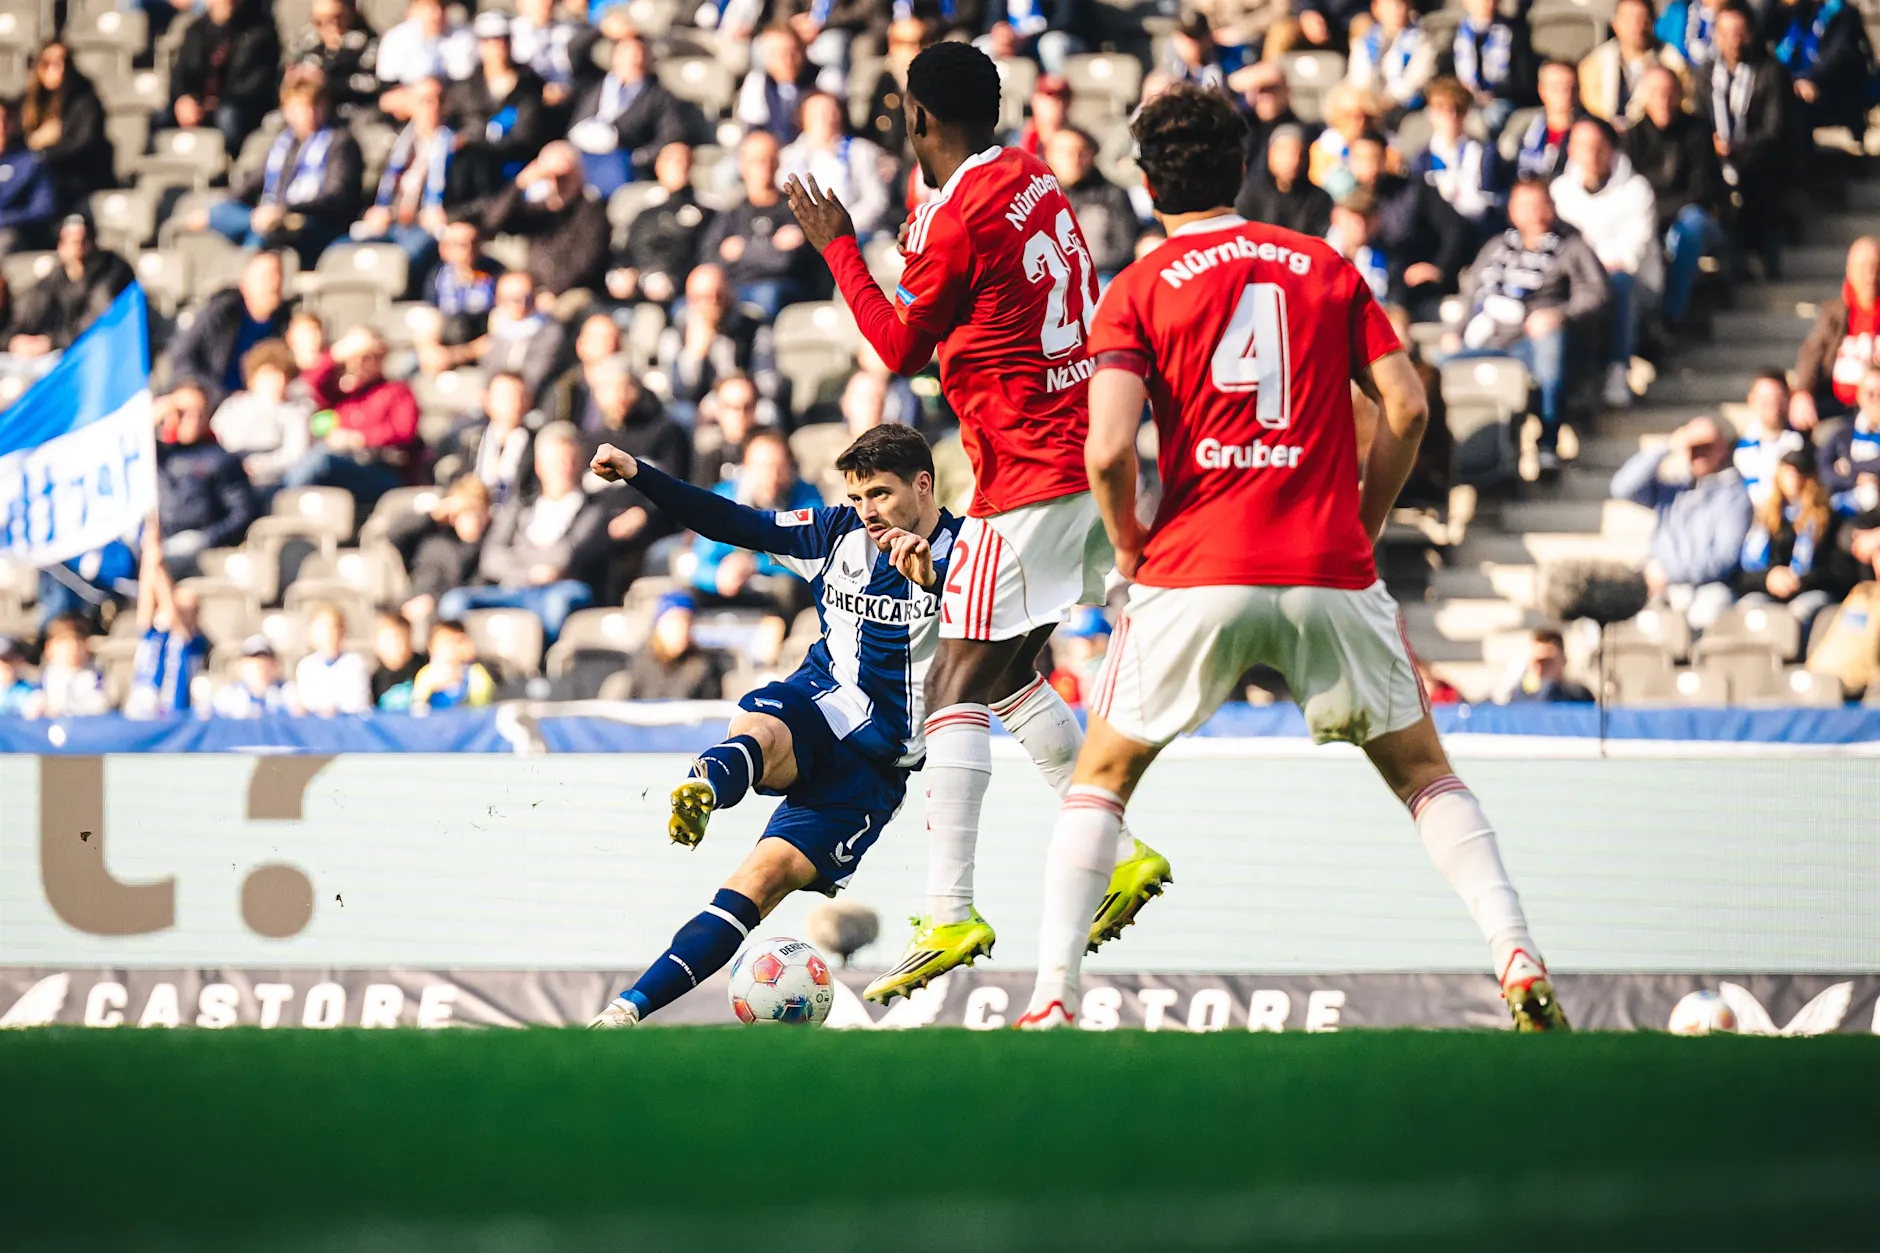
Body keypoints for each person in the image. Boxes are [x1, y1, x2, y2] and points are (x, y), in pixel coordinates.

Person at [1012, 85, 1566, 1034]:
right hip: (1326, 565)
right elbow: (1409, 406)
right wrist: (1360, 518)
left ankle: (1053, 992)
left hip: (1194, 568)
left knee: (1101, 773)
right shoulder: (1323, 264)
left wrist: (1133, 547)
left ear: (1146, 184)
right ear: (1243, 169)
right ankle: (1516, 953)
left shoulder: (1139, 285)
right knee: (1424, 773)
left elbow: (1106, 450)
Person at [784, 40, 1165, 1005]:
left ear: (918, 119)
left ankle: (948, 908)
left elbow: (900, 346)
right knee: (1010, 674)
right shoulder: (1033, 176)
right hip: (1083, 453)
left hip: (1027, 472)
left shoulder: (956, 217)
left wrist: (839, 244)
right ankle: (1119, 855)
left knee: (950, 677)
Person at [586, 424, 965, 1027]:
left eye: (881, 495)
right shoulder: (831, 532)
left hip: (875, 766)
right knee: (762, 732)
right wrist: (639, 473)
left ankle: (628, 1010)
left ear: (924, 486)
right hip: (819, 701)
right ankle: (707, 787)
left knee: (757, 883)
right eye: (857, 496)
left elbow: (1016, 638)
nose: (866, 511)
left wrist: (942, 588)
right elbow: (733, 521)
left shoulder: (970, 557)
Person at [1449, 177, 1610, 471]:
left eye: (1539, 205)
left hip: (1534, 342)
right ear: (1512, 211)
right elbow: (1471, 292)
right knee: (1437, 363)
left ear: (1551, 208)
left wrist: (1559, 314)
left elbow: (1596, 293)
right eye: (1524, 206)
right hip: (1487, 339)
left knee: (1550, 341)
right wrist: (1456, 331)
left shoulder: (1571, 247)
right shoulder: (1497, 246)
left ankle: (1548, 442)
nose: (1533, 214)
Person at [436, 422, 604, 642]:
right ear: (539, 465)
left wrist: (521, 559)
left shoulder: (593, 511)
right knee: (454, 602)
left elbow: (564, 558)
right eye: (556, 462)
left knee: (556, 606)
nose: (563, 468)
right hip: (512, 588)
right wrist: (530, 573)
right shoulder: (520, 506)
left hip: (558, 591)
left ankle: (546, 670)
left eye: (569, 461)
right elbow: (492, 558)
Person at [1549, 118, 1660, 409]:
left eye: (1599, 146)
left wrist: (1595, 270)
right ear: (1571, 151)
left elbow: (1632, 252)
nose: (1592, 154)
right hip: (1579, 284)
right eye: (1584, 147)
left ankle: (1617, 371)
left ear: (1612, 149)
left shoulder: (1637, 189)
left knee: (1617, 284)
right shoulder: (1559, 192)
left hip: (1634, 285)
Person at [1610, 414, 1754, 630]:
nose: (1698, 454)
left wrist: (1669, 573)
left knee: (1705, 615)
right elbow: (1622, 487)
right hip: (1661, 588)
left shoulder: (1734, 495)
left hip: (1707, 588)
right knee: (1628, 618)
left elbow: (1724, 558)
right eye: (1693, 447)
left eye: (1706, 446)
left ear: (1723, 447)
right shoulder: (1674, 490)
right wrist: (1669, 444)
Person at [203, 78, 364, 266]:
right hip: (274, 217)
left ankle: (249, 276)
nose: (309, 114)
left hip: (313, 223)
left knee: (266, 235)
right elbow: (253, 181)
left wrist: (286, 210)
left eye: (314, 106)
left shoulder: (340, 142)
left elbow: (336, 195)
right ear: (287, 110)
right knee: (219, 212)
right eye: (301, 107)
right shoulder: (283, 144)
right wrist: (231, 206)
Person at [683, 430, 822, 630]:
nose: (771, 476)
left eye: (779, 467)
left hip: (777, 588)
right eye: (763, 467)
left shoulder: (807, 499)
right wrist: (718, 577)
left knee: (788, 589)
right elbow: (701, 558)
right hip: (729, 583)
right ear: (747, 467)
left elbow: (810, 557)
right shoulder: (724, 498)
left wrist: (755, 564)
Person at [1624, 67, 1726, 329]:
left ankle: (1670, 316)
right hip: (1649, 218)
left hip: (1691, 216)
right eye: (1657, 93)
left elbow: (1701, 191)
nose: (1663, 101)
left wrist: (1656, 211)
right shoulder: (1632, 138)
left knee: (1688, 229)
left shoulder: (1697, 131)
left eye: (1669, 93)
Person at [282, 327, 420, 509]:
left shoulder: (396, 391)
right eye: (354, 358)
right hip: (343, 467)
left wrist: (357, 438)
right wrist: (338, 352)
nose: (359, 364)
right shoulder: (342, 393)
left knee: (321, 459)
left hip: (381, 469)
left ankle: (277, 498)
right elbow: (308, 382)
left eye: (367, 358)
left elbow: (403, 432)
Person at [357, 77, 480, 277]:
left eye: (440, 99)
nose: (434, 107)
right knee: (342, 251)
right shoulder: (396, 146)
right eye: (425, 100)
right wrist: (373, 212)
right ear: (410, 105)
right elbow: (362, 122)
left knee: (399, 263)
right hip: (389, 224)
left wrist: (448, 217)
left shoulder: (460, 151)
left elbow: (480, 202)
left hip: (428, 229)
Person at [1702, 3, 1791, 277]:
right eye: (1725, 33)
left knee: (1758, 188)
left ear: (1751, 35)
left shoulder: (1770, 72)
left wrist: (1735, 149)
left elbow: (1774, 130)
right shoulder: (1705, 75)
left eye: (1739, 33)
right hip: (1714, 162)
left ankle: (1759, 257)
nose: (1732, 41)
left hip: (1759, 162)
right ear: (1715, 36)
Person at [704, 129, 817, 319]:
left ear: (778, 162)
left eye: (769, 158)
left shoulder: (795, 209)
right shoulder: (732, 212)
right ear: (742, 165)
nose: (763, 166)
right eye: (756, 160)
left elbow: (785, 262)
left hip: (780, 291)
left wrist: (741, 250)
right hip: (734, 287)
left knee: (767, 297)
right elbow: (711, 259)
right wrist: (771, 247)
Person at [1738, 449, 1852, 635]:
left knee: (1798, 613)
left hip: (1811, 589)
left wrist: (1799, 580)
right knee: (1750, 609)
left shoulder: (1828, 518)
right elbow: (1744, 574)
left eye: (1798, 473)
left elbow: (1840, 572)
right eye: (1787, 473)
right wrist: (1769, 577)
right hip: (1769, 591)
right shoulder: (1766, 519)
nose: (1793, 479)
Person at [480, 141, 610, 303]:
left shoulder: (591, 210)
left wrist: (550, 292)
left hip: (571, 291)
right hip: (529, 291)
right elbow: (491, 224)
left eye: (563, 177)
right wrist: (521, 182)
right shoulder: (537, 210)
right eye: (551, 176)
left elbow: (584, 262)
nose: (557, 182)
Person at [154, 382, 258, 573]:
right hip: (156, 539)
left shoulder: (221, 458)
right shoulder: (157, 455)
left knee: (166, 556)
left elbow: (241, 514)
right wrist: (155, 415)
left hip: (198, 542)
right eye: (182, 412)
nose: (191, 418)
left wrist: (208, 537)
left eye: (198, 412)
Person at [164, 250, 290, 408]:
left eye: (278, 275)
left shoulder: (287, 323)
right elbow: (183, 357)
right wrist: (206, 391)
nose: (273, 283)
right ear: (245, 283)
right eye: (265, 277)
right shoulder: (221, 312)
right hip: (213, 400)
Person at [568, 31, 690, 192]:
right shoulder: (594, 84)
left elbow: (672, 135)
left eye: (639, 53)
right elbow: (574, 51)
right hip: (580, 156)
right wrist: (601, 29)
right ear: (615, 56)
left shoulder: (659, 96)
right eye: (627, 53)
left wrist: (638, 157)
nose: (634, 59)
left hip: (623, 166)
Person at [7, 215, 133, 360]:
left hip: (103, 354)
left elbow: (100, 323)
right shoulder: (56, 276)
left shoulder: (113, 270)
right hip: (62, 354)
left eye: (83, 240)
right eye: (70, 240)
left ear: (94, 243)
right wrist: (15, 341)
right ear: (60, 246)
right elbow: (28, 314)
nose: (77, 247)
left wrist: (52, 342)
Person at [448, 13, 550, 188]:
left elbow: (525, 138)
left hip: (516, 169)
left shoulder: (529, 86)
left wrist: (479, 144)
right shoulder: (465, 88)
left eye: (502, 39)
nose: (497, 46)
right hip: (472, 172)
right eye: (488, 40)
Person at [167, 0, 282, 152]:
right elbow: (182, 75)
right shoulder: (196, 30)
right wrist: (185, 98)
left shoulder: (260, 31)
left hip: (239, 107)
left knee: (228, 116)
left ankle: (232, 165)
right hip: (199, 104)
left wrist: (211, 107)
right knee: (159, 117)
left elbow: (254, 86)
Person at [607, 143, 714, 306]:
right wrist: (624, 273)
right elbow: (626, 248)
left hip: (680, 293)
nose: (678, 166)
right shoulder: (644, 210)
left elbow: (702, 252)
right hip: (637, 288)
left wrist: (670, 276)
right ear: (658, 166)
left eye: (683, 161)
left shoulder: (706, 209)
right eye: (671, 161)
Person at [1792, 236, 1880, 431]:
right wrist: (1803, 392)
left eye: (1876, 267)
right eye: (1864, 268)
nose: (1871, 276)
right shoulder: (1835, 313)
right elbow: (1813, 350)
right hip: (1837, 403)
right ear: (1850, 271)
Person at [780, 92, 894, 241]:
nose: (825, 119)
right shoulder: (788, 156)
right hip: (803, 236)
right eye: (817, 114)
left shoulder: (862, 151)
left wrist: (839, 225)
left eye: (831, 112)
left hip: (855, 233)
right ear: (803, 118)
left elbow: (876, 201)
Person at [126, 519, 211, 719]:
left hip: (172, 712)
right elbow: (147, 593)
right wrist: (150, 554)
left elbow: (172, 614)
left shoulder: (195, 642)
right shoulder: (153, 633)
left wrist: (158, 564)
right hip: (143, 709)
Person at [389, 474, 492, 628]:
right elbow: (395, 534)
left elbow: (477, 586)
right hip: (412, 602)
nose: (472, 519)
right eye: (465, 512)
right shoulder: (432, 536)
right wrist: (433, 515)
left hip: (450, 615)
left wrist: (434, 600)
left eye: (477, 512)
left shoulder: (490, 544)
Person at [209, 340, 311, 492]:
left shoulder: (295, 413)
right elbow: (212, 437)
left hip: (268, 483)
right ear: (253, 377)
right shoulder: (232, 406)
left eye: (281, 374)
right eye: (268, 374)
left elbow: (294, 455)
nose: (276, 380)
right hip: (225, 471)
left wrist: (257, 466)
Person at [20, 42, 111, 212]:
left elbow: (84, 144)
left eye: (62, 62)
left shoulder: (84, 100)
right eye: (47, 63)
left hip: (75, 179)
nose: (57, 69)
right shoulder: (29, 103)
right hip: (37, 176)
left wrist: (45, 152)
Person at [605, 589, 736, 701]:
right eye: (674, 623)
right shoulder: (640, 661)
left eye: (686, 623)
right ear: (658, 626)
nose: (681, 631)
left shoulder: (702, 666)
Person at [1410, 77, 1503, 231]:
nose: (1451, 116)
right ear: (1431, 113)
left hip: (1476, 230)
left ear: (1466, 113)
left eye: (1458, 109)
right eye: (1441, 109)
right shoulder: (1422, 160)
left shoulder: (1485, 153)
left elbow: (1491, 202)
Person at [1045, 127, 1138, 281]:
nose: (1072, 159)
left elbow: (1125, 249)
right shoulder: (1039, 197)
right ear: (1048, 155)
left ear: (1092, 155)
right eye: (1063, 152)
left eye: (1080, 152)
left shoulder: (1113, 194)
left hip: (1101, 277)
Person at [1440, 0, 1538, 137]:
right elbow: (1444, 73)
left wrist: (1493, 93)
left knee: (1483, 121)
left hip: (1501, 99)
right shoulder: (1457, 34)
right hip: (1466, 99)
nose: (1486, 3)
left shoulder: (1513, 32)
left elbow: (1524, 80)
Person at [436, 370, 535, 502]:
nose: (513, 403)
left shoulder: (537, 445)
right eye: (505, 397)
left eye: (519, 396)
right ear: (486, 400)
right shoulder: (471, 442)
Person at [737, 24, 831, 144]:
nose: (788, 60)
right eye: (779, 53)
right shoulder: (758, 83)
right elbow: (754, 132)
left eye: (793, 52)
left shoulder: (823, 78)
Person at [288, 0, 383, 118]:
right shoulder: (307, 43)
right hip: (313, 115)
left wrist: (331, 80)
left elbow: (375, 84)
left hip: (358, 113)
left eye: (336, 19)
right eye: (319, 21)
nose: (329, 26)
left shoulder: (370, 44)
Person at [1235, 124, 1332, 236]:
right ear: (1270, 153)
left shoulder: (1320, 199)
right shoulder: (1249, 194)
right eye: (1284, 152)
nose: (1293, 160)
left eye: (1299, 153)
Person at [1346, 0, 1435, 113]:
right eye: (1389, 5)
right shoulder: (1365, 42)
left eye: (1400, 4)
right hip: (1368, 108)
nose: (1396, 11)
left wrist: (1385, 101)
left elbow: (1414, 83)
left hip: (1404, 110)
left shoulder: (1421, 41)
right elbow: (1358, 80)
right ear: (1376, 9)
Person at [1734, 370, 1806, 507]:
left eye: (1777, 397)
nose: (1772, 405)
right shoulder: (1737, 448)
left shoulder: (1801, 444)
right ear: (1751, 400)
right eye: (1764, 399)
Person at [0, 98, 59, 255]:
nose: (1, 128)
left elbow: (43, 209)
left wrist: (4, 220)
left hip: (16, 233)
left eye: (4, 120)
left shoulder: (32, 162)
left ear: (13, 124)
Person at [1511, 60, 1585, 181]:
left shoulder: (1590, 132)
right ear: (1541, 89)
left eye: (1571, 87)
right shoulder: (1523, 125)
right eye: (1556, 87)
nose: (1565, 94)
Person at [375, 0, 477, 87]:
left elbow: (463, 80)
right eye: (429, 7)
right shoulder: (396, 37)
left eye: (442, 7)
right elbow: (387, 82)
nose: (437, 13)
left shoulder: (462, 36)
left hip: (451, 99)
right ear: (412, 10)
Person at [23, 616, 110, 718]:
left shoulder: (96, 677)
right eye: (63, 643)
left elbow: (101, 706)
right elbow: (31, 707)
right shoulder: (46, 678)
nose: (72, 648)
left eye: (78, 642)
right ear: (49, 647)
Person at [296, 603, 373, 716]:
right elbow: (306, 704)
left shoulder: (355, 663)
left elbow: (357, 704)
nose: (328, 635)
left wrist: (333, 711)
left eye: (333, 628)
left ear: (342, 632)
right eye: (322, 629)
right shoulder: (305, 666)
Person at [1819, 364, 1880, 498]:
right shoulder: (1841, 431)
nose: (1876, 399)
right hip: (1844, 509)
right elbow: (1824, 471)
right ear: (1859, 395)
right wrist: (1855, 481)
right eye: (1870, 394)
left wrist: (1849, 467)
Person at [408, 618, 495, 711]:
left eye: (457, 641)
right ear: (431, 646)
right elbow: (417, 707)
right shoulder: (427, 675)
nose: (451, 647)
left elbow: (480, 709)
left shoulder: (476, 674)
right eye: (445, 642)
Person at [211, 635, 298, 718]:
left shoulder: (288, 693)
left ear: (275, 666)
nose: (260, 671)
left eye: (266, 665)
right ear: (241, 666)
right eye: (254, 665)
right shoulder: (227, 696)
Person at [1503, 628, 1594, 702]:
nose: (1541, 668)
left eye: (1547, 662)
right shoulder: (1522, 696)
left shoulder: (1578, 695)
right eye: (1537, 662)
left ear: (1563, 660)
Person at [370, 611, 426, 707]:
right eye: (388, 639)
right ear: (376, 643)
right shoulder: (374, 681)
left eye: (399, 638)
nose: (394, 645)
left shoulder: (425, 668)